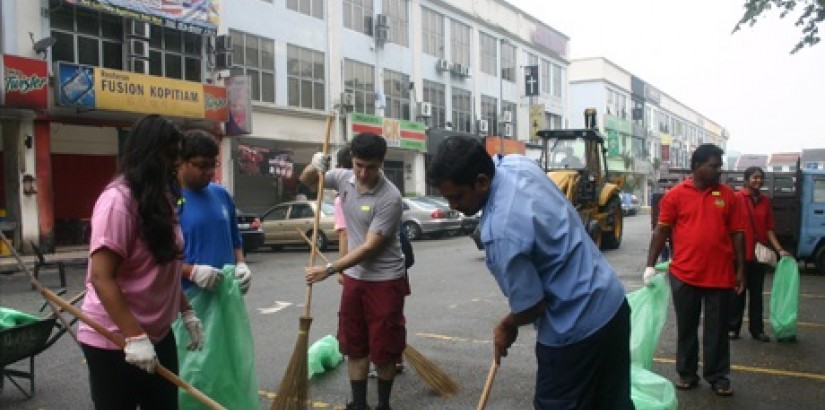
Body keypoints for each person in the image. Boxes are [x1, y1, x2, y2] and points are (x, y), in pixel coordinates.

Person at [426, 136, 633, 409]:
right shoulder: (518, 165)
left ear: (481, 181)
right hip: (613, 305)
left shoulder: (500, 233)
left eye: (457, 196)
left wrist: (508, 325)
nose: (453, 205)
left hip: (575, 332)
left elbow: (532, 306)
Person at [77, 114, 204, 409]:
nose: (176, 164)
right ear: (147, 154)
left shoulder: (161, 198)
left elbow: (164, 266)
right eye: (170, 155)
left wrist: (186, 310)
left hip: (158, 335)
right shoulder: (118, 202)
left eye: (178, 155)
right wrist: (134, 337)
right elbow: (101, 277)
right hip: (116, 339)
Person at [301, 133, 406, 410]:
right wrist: (315, 166)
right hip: (355, 279)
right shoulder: (344, 177)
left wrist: (330, 268)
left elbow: (371, 247)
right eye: (358, 165)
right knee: (354, 344)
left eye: (370, 167)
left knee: (384, 351)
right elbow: (307, 181)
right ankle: (359, 405)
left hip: (385, 280)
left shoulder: (390, 197)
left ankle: (383, 405)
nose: (363, 172)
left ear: (381, 163)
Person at [643, 143, 746, 397]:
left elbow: (738, 235)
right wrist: (649, 265)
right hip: (685, 275)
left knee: (718, 330)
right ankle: (687, 374)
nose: (718, 171)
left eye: (720, 166)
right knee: (686, 327)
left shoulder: (728, 196)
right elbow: (662, 231)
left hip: (720, 276)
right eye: (713, 166)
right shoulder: (676, 195)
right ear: (697, 166)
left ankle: (718, 376)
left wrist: (740, 270)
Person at [175, 129, 257, 408]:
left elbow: (235, 239)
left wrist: (242, 263)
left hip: (224, 300)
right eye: (200, 165)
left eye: (213, 164)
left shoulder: (221, 195)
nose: (208, 172)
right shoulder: (168, 200)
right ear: (181, 162)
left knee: (228, 368)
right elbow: (156, 259)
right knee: (192, 373)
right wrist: (191, 271)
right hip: (186, 303)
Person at [729, 166, 792, 342]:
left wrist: (779, 249)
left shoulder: (765, 202)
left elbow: (769, 229)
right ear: (746, 179)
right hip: (739, 255)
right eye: (754, 177)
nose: (758, 180)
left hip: (758, 255)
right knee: (737, 293)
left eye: (760, 178)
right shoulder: (736, 198)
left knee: (757, 294)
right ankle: (733, 328)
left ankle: (757, 330)